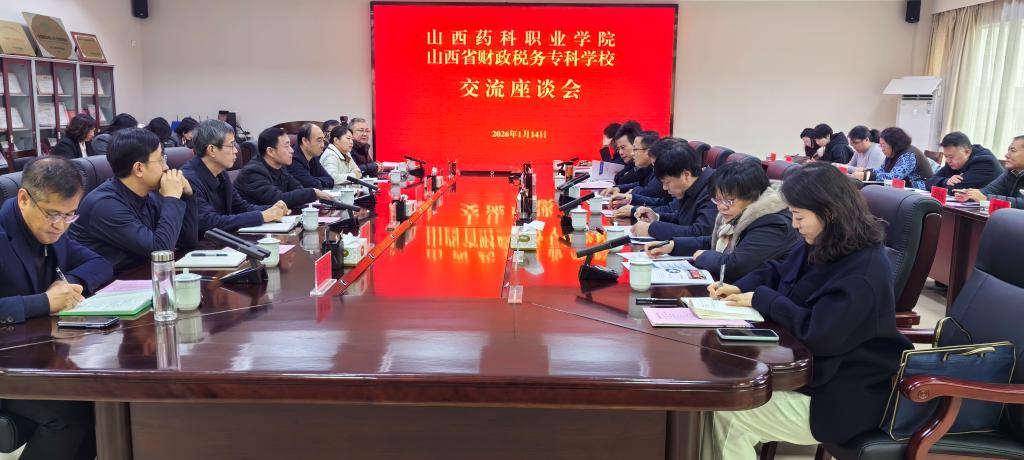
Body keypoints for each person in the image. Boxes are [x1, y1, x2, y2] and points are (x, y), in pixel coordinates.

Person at [702, 162, 912, 460]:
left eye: (799, 216)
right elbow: (779, 270)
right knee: (719, 394)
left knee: (728, 413)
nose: (794, 224)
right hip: (812, 377)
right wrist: (739, 287)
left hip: (841, 398)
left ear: (829, 213)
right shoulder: (824, 240)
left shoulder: (864, 268)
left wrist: (762, 299)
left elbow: (820, 335)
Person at [0, 157, 113, 460]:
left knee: (101, 402)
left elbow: (99, 263)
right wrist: (45, 302)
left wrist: (69, 285)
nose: (61, 225)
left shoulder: (53, 228)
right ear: (24, 198)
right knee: (70, 413)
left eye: (70, 215)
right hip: (6, 366)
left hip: (38, 354)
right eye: (53, 215)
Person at [644, 160, 799, 282]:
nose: (721, 207)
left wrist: (704, 256)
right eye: (717, 200)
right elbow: (715, 241)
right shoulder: (740, 212)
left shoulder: (772, 223)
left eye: (729, 200)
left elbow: (737, 266)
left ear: (753, 196)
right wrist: (673, 245)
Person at [71, 128, 199, 271]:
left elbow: (188, 242)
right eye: (160, 160)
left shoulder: (150, 195)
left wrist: (187, 196)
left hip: (141, 275)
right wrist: (172, 198)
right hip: (110, 282)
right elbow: (160, 252)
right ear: (139, 168)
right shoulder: (104, 205)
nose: (166, 167)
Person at [182, 120, 288, 234]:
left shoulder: (221, 173)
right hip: (202, 243)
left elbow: (240, 207)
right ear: (212, 150)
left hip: (224, 238)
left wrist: (272, 209)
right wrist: (262, 216)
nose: (236, 150)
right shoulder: (188, 179)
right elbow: (208, 222)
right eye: (231, 145)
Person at [630, 138, 717, 239]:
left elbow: (700, 232)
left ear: (686, 175)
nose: (664, 188)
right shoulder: (692, 186)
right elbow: (682, 218)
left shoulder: (713, 189)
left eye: (667, 182)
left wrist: (651, 229)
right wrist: (656, 217)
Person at [235, 127, 335, 208]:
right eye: (287, 146)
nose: (292, 150)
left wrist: (308, 193)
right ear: (270, 151)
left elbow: (298, 188)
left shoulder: (280, 167)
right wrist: (313, 192)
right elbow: (277, 199)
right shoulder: (253, 171)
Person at [607, 131, 671, 216]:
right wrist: (624, 192)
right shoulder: (648, 167)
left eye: (635, 149)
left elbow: (649, 192)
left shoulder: (664, 169)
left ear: (648, 151)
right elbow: (638, 183)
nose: (632, 153)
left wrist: (633, 206)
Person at [852, 127, 933, 189]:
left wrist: (866, 175)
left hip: (919, 191)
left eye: (883, 145)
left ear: (893, 143)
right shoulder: (892, 153)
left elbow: (893, 177)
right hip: (903, 190)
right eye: (880, 145)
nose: (881, 148)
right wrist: (865, 171)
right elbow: (881, 170)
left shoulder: (909, 155)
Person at [957, 135, 1024, 208]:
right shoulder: (1011, 172)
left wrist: (987, 199)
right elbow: (988, 191)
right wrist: (969, 195)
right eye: (1008, 150)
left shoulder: (984, 160)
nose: (1006, 155)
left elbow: (1022, 203)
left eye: (1013, 150)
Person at [926, 131, 1003, 191]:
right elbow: (929, 182)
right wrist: (946, 181)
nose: (948, 161)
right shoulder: (953, 161)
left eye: (951, 157)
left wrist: (942, 184)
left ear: (967, 152)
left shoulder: (984, 162)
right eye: (946, 156)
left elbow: (954, 190)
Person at [286, 122, 334, 189]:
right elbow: (311, 185)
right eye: (319, 140)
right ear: (305, 141)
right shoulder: (293, 159)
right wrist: (317, 181)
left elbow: (330, 180)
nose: (323, 145)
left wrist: (314, 179)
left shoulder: (312, 156)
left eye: (323, 140)